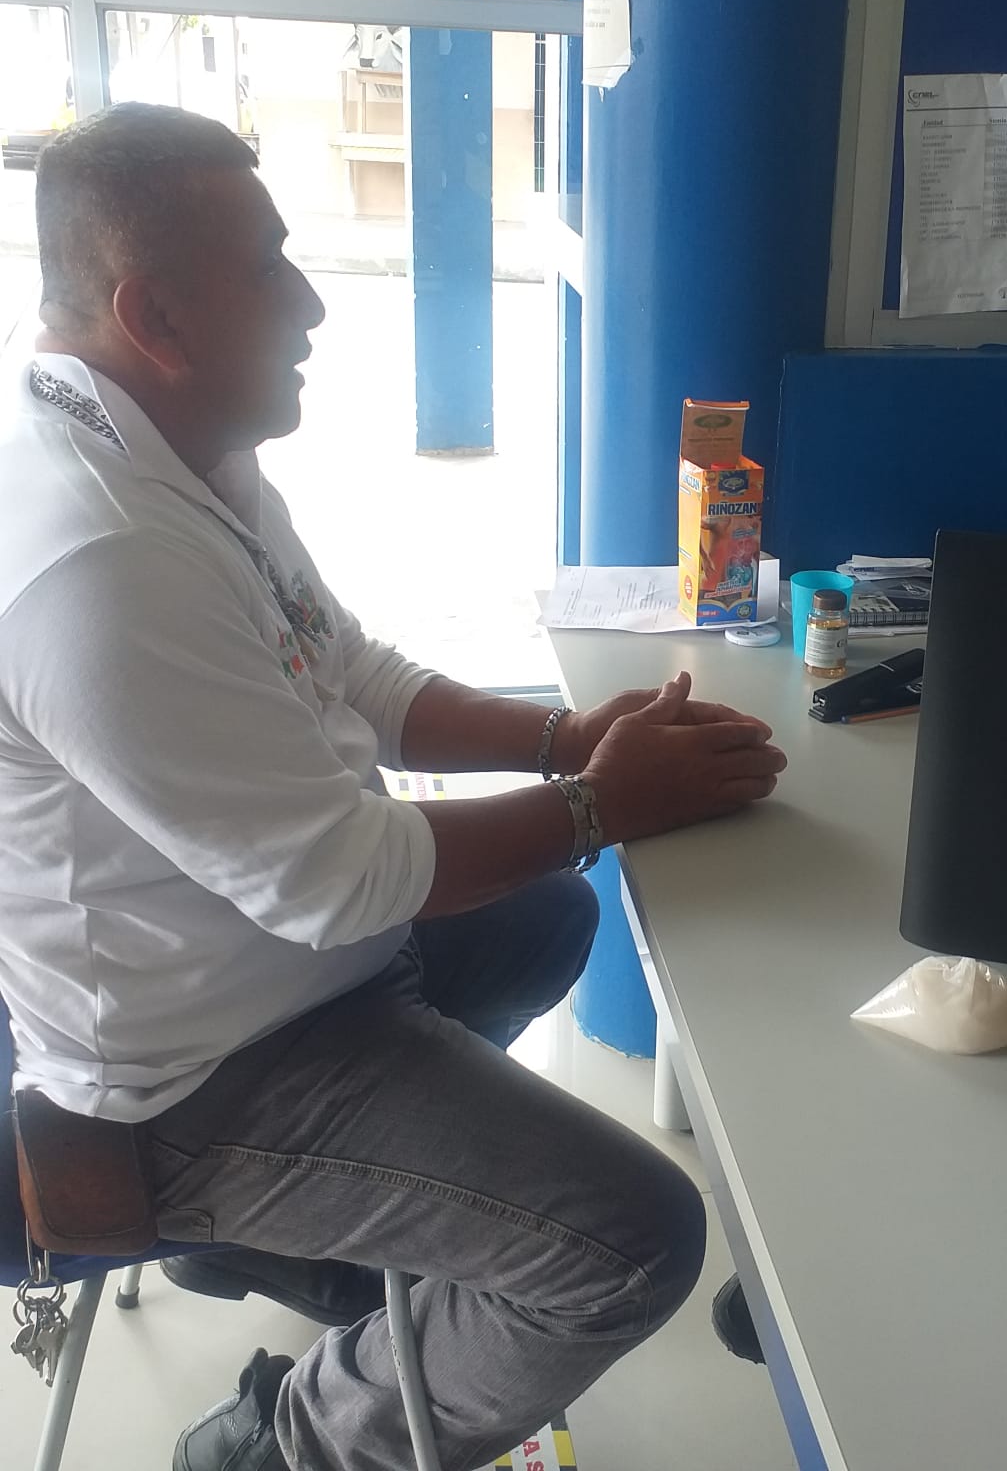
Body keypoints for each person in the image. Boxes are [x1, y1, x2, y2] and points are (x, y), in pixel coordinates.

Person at [0, 102, 787, 1471]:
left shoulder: (181, 446)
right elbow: (334, 881)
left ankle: (303, 1239)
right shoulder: (95, 556)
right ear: (156, 316)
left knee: (547, 915)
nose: (310, 303)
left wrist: (564, 743)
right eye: (270, 266)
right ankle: (281, 1444)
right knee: (633, 1239)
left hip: (282, 971)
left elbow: (346, 667)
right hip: (196, 1081)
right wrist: (608, 803)